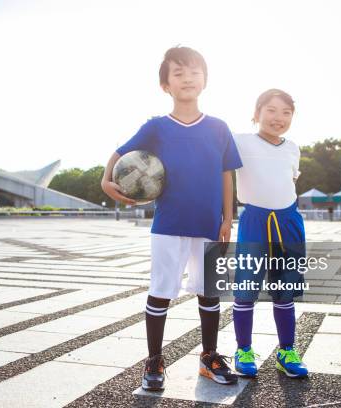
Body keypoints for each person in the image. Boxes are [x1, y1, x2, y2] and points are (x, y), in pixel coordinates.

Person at [101, 46, 242, 391]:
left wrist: (229, 217)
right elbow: (120, 153)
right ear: (165, 85)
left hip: (209, 223)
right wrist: (106, 178)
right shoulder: (157, 126)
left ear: (205, 80)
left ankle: (209, 357)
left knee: (209, 292)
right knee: (161, 292)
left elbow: (227, 174)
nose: (187, 78)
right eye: (178, 73)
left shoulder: (219, 128)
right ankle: (154, 361)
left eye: (194, 72)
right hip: (168, 223)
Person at [232, 89, 309, 378]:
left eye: (286, 112)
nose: (279, 118)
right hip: (254, 221)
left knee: (285, 291)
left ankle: (287, 351)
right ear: (257, 112)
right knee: (246, 290)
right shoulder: (239, 142)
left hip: (289, 223)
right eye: (272, 110)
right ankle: (243, 350)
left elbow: (288, 183)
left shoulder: (293, 148)